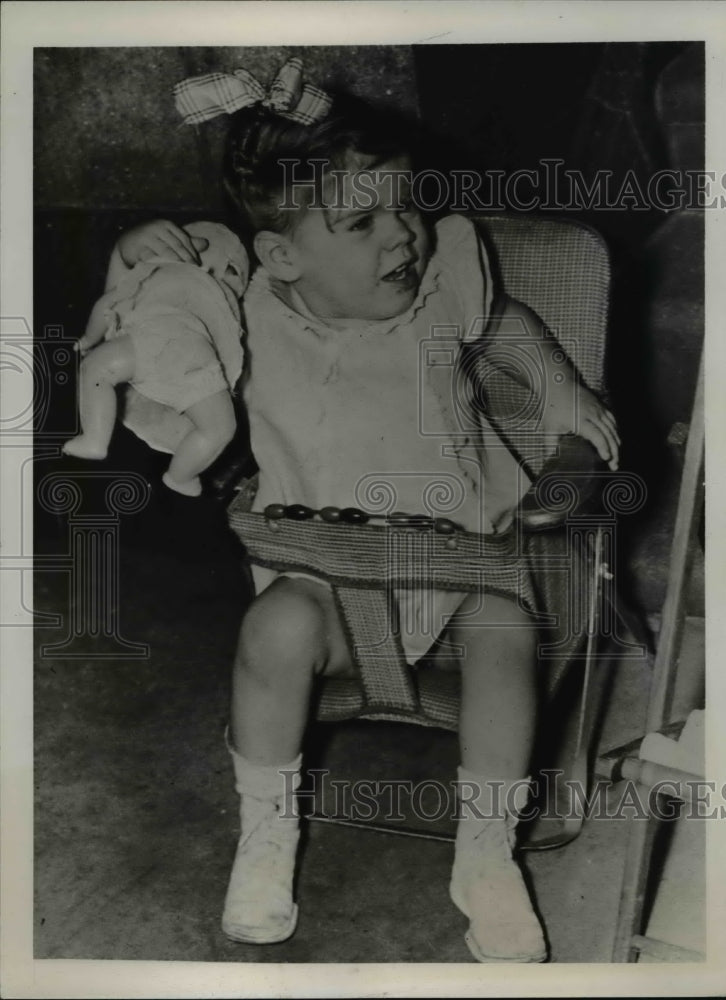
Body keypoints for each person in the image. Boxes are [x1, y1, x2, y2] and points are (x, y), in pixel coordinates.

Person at [113, 58, 620, 963]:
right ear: (280, 255)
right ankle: (266, 833)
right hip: (324, 582)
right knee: (273, 631)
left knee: (505, 630)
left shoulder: (442, 293)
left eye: (406, 207)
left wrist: (560, 390)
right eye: (360, 223)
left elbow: (503, 324)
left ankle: (486, 853)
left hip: (460, 569)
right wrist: (134, 246)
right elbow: (153, 310)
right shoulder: (240, 316)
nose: (402, 237)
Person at [63, 221, 249, 498]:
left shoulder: (155, 275)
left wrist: (90, 339)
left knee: (94, 368)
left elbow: (107, 305)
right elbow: (109, 303)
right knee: (219, 428)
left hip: (164, 349)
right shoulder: (159, 274)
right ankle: (178, 474)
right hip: (184, 357)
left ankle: (98, 439)